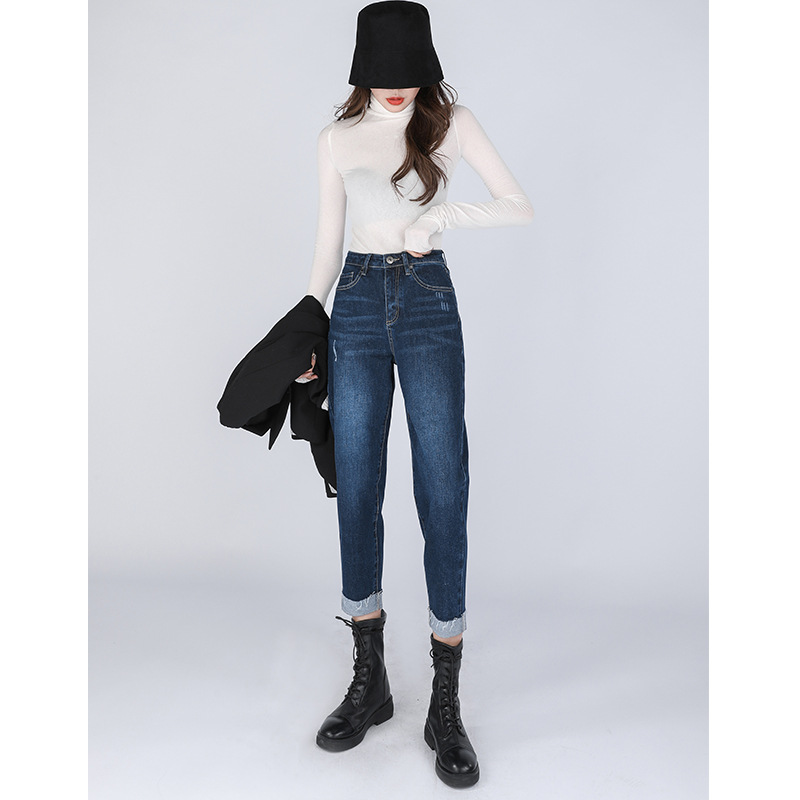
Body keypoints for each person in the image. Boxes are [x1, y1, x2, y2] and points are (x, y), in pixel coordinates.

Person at [295, 1, 533, 788]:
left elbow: (517, 203)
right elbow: (328, 243)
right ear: (362, 71)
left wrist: (439, 220)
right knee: (357, 486)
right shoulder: (336, 139)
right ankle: (370, 683)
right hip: (357, 304)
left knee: (442, 488)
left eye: (408, 75)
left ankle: (445, 703)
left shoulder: (451, 122)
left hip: (428, 301)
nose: (396, 90)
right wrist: (308, 329)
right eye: (383, 77)